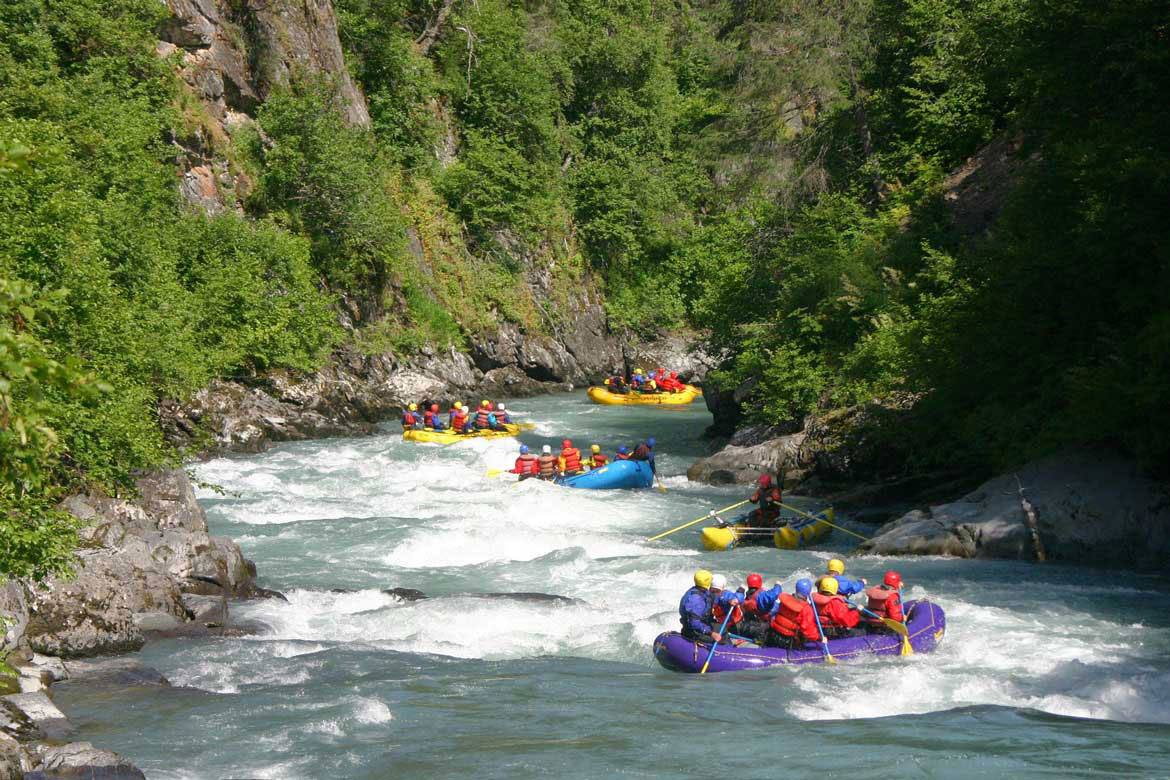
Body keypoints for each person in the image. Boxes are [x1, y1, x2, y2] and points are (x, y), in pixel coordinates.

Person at [763, 578, 821, 650]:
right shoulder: (806, 609)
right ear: (808, 593)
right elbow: (808, 632)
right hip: (788, 641)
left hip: (773, 634)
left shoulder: (784, 601)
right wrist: (820, 638)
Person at [679, 570, 720, 643]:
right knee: (721, 637)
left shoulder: (702, 591)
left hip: (702, 625)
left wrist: (729, 599)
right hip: (694, 632)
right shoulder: (696, 600)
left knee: (721, 627)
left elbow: (715, 598)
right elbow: (694, 623)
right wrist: (711, 633)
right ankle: (729, 650)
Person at [709, 574, 744, 638]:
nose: (714, 593)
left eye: (717, 591)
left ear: (722, 589)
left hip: (735, 625)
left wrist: (736, 599)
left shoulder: (726, 595)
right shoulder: (710, 595)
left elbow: (739, 596)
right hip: (722, 624)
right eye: (712, 591)